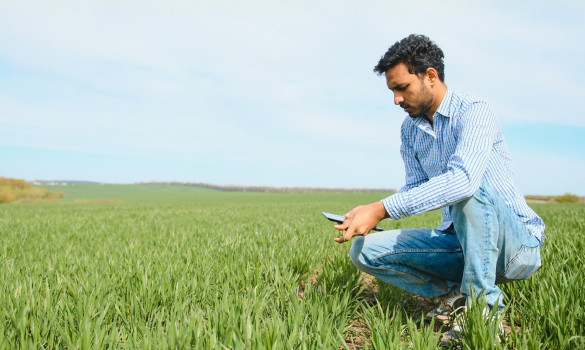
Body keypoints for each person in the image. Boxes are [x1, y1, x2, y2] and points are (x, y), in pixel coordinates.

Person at [332, 34, 545, 342]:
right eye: (392, 91)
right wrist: (365, 214)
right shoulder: (410, 130)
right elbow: (415, 189)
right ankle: (456, 297)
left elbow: (463, 182)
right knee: (364, 250)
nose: (396, 100)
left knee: (467, 190)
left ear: (430, 76)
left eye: (402, 88)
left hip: (515, 247)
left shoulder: (474, 112)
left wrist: (382, 209)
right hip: (459, 243)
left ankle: (482, 313)